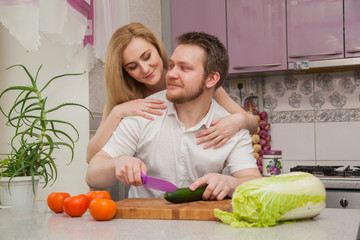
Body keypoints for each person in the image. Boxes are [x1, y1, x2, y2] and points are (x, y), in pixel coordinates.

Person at [86, 31, 262, 200]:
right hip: (142, 224)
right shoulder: (142, 111)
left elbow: (255, 184)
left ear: (211, 79)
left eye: (184, 68)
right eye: (171, 66)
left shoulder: (230, 126)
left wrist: (231, 183)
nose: (170, 74)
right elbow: (92, 174)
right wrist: (116, 163)